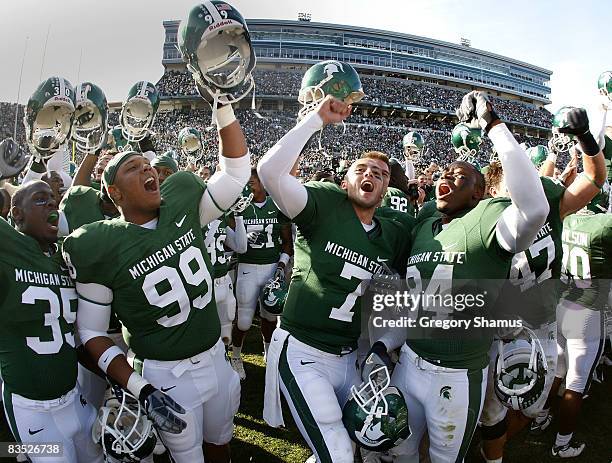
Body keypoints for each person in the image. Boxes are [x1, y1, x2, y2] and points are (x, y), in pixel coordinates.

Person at [62, 102, 250, 463]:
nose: (147, 167)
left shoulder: (182, 201)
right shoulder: (98, 244)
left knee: (221, 445)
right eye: (132, 168)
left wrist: (224, 104)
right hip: (165, 374)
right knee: (187, 457)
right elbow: (92, 333)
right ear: (115, 194)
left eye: (146, 164)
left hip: (214, 357)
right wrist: (141, 389)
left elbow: (236, 173)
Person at [374, 91, 549, 463]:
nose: (447, 176)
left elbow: (534, 207)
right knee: (398, 454)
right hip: (409, 362)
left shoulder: (487, 219)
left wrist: (493, 124)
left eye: (460, 175)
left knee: (443, 458)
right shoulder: (424, 225)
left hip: (454, 375)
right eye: (444, 173)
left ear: (479, 193)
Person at [258, 96, 412, 463]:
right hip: (303, 350)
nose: (371, 175)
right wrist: (315, 121)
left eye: (380, 173)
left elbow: (406, 293)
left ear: (387, 189)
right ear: (346, 180)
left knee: (361, 442)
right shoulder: (324, 204)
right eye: (362, 169)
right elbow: (269, 173)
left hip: (349, 357)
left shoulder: (393, 233)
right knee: (339, 451)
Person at [480, 107, 607, 463]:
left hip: (544, 325)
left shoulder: (548, 203)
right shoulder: (482, 213)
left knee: (534, 406)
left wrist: (585, 138)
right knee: (490, 410)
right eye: (512, 178)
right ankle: (490, 454)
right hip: (498, 329)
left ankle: (493, 445)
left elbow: (594, 180)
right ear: (492, 188)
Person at [0, 180, 102, 463]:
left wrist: (119, 381)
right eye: (40, 199)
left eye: (54, 199)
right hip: (33, 410)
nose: (53, 204)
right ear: (17, 214)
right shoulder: (8, 251)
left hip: (75, 399)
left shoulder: (62, 260)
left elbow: (73, 338)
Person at [544, 192, 611, 458]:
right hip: (587, 312)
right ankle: (562, 443)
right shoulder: (604, 225)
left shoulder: (568, 220)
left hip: (562, 305)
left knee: (558, 370)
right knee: (577, 382)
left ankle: (540, 416)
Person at [230, 168, 293, 380]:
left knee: (270, 316)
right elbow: (230, 241)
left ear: (263, 183)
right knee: (244, 320)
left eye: (253, 181)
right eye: (247, 182)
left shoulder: (276, 206)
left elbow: (287, 243)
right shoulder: (240, 207)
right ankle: (236, 356)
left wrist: (281, 267)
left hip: (271, 268)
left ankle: (268, 351)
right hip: (247, 267)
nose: (249, 185)